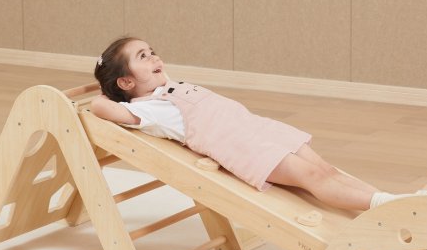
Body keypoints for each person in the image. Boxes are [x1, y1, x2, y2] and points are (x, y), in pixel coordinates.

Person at [90, 37, 401, 212]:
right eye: (143, 56)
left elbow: (149, 77)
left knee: (326, 169)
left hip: (257, 127)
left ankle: (391, 203)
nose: (154, 58)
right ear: (126, 81)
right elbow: (100, 107)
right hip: (244, 148)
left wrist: (135, 73)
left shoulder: (164, 85)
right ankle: (380, 205)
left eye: (152, 52)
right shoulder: (150, 110)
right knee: (311, 176)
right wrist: (105, 91)